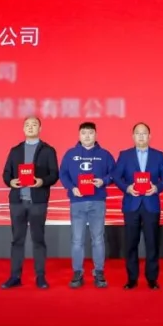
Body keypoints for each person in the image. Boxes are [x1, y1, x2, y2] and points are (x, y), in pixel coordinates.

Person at [0, 116, 59, 290]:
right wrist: (11, 182)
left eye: (34, 124)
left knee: (38, 239)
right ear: (23, 129)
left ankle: (40, 277)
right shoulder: (15, 150)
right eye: (27, 125)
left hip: (37, 201)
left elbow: (54, 174)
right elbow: (6, 174)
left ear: (40, 128)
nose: (30, 127)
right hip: (17, 202)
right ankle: (15, 276)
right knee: (17, 240)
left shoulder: (48, 150)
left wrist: (41, 181)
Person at [113, 122, 163, 290]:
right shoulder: (125, 155)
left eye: (144, 133)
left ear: (149, 136)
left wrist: (157, 188)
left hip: (151, 204)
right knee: (131, 243)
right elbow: (116, 176)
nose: (141, 136)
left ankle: (152, 279)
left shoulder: (158, 155)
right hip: (132, 204)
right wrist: (127, 188)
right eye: (138, 133)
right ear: (133, 136)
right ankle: (132, 279)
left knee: (152, 243)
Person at [59, 121, 116, 289]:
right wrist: (72, 188)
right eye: (84, 133)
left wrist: (103, 181)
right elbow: (63, 174)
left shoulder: (104, 154)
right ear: (79, 135)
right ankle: (77, 272)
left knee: (98, 239)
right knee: (77, 240)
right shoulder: (70, 154)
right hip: (77, 202)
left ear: (96, 135)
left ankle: (99, 271)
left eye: (90, 133)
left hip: (98, 201)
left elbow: (114, 173)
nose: (87, 136)